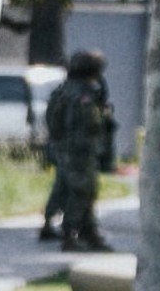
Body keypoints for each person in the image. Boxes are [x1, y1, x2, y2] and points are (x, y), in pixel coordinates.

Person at [45, 49, 117, 253]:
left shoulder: (67, 89)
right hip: (80, 151)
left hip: (70, 149)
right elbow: (89, 124)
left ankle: (87, 230)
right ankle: (71, 233)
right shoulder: (82, 94)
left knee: (73, 188)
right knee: (82, 191)